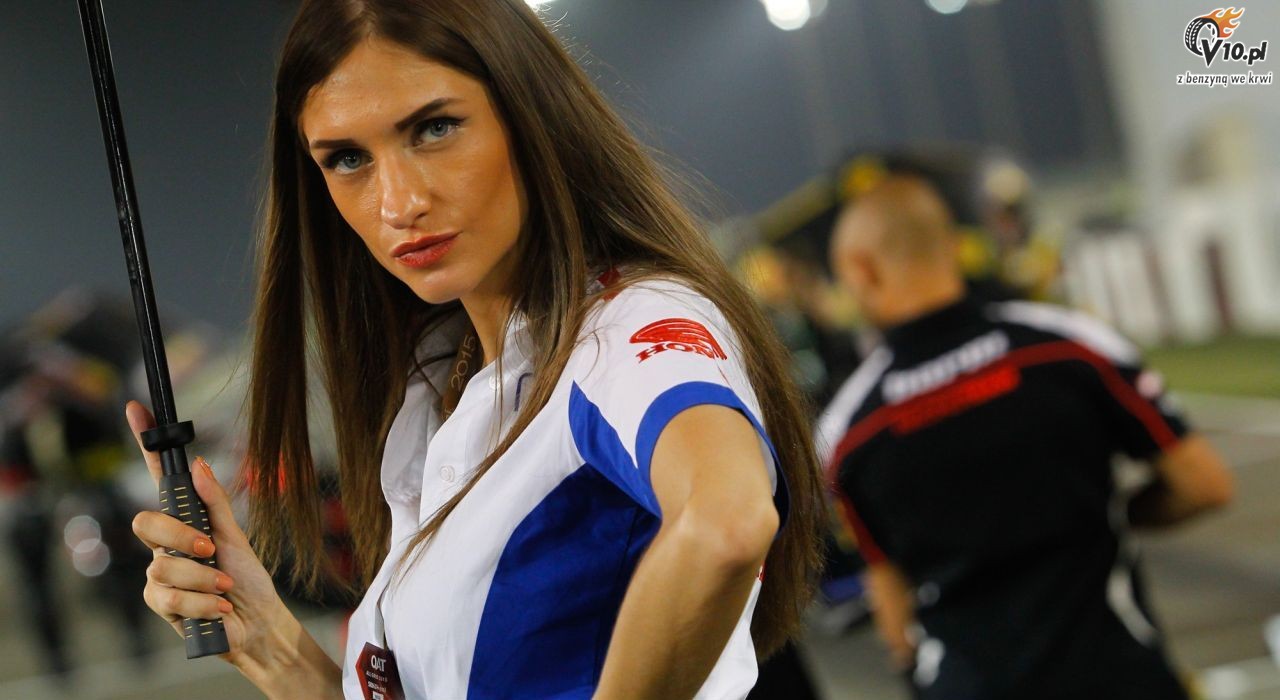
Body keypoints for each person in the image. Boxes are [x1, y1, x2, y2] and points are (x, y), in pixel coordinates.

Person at [125, 1, 825, 698]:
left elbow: (727, 520)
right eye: (347, 159)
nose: (398, 202)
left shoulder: (623, 324)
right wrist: (270, 644)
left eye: (434, 128)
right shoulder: (436, 384)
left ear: (532, 114)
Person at [817, 175, 1234, 699]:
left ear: (860, 269)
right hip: (1116, 675)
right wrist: (1116, 513)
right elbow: (1205, 485)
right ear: (953, 245)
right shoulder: (1066, 346)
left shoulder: (850, 431)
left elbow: (893, 614)